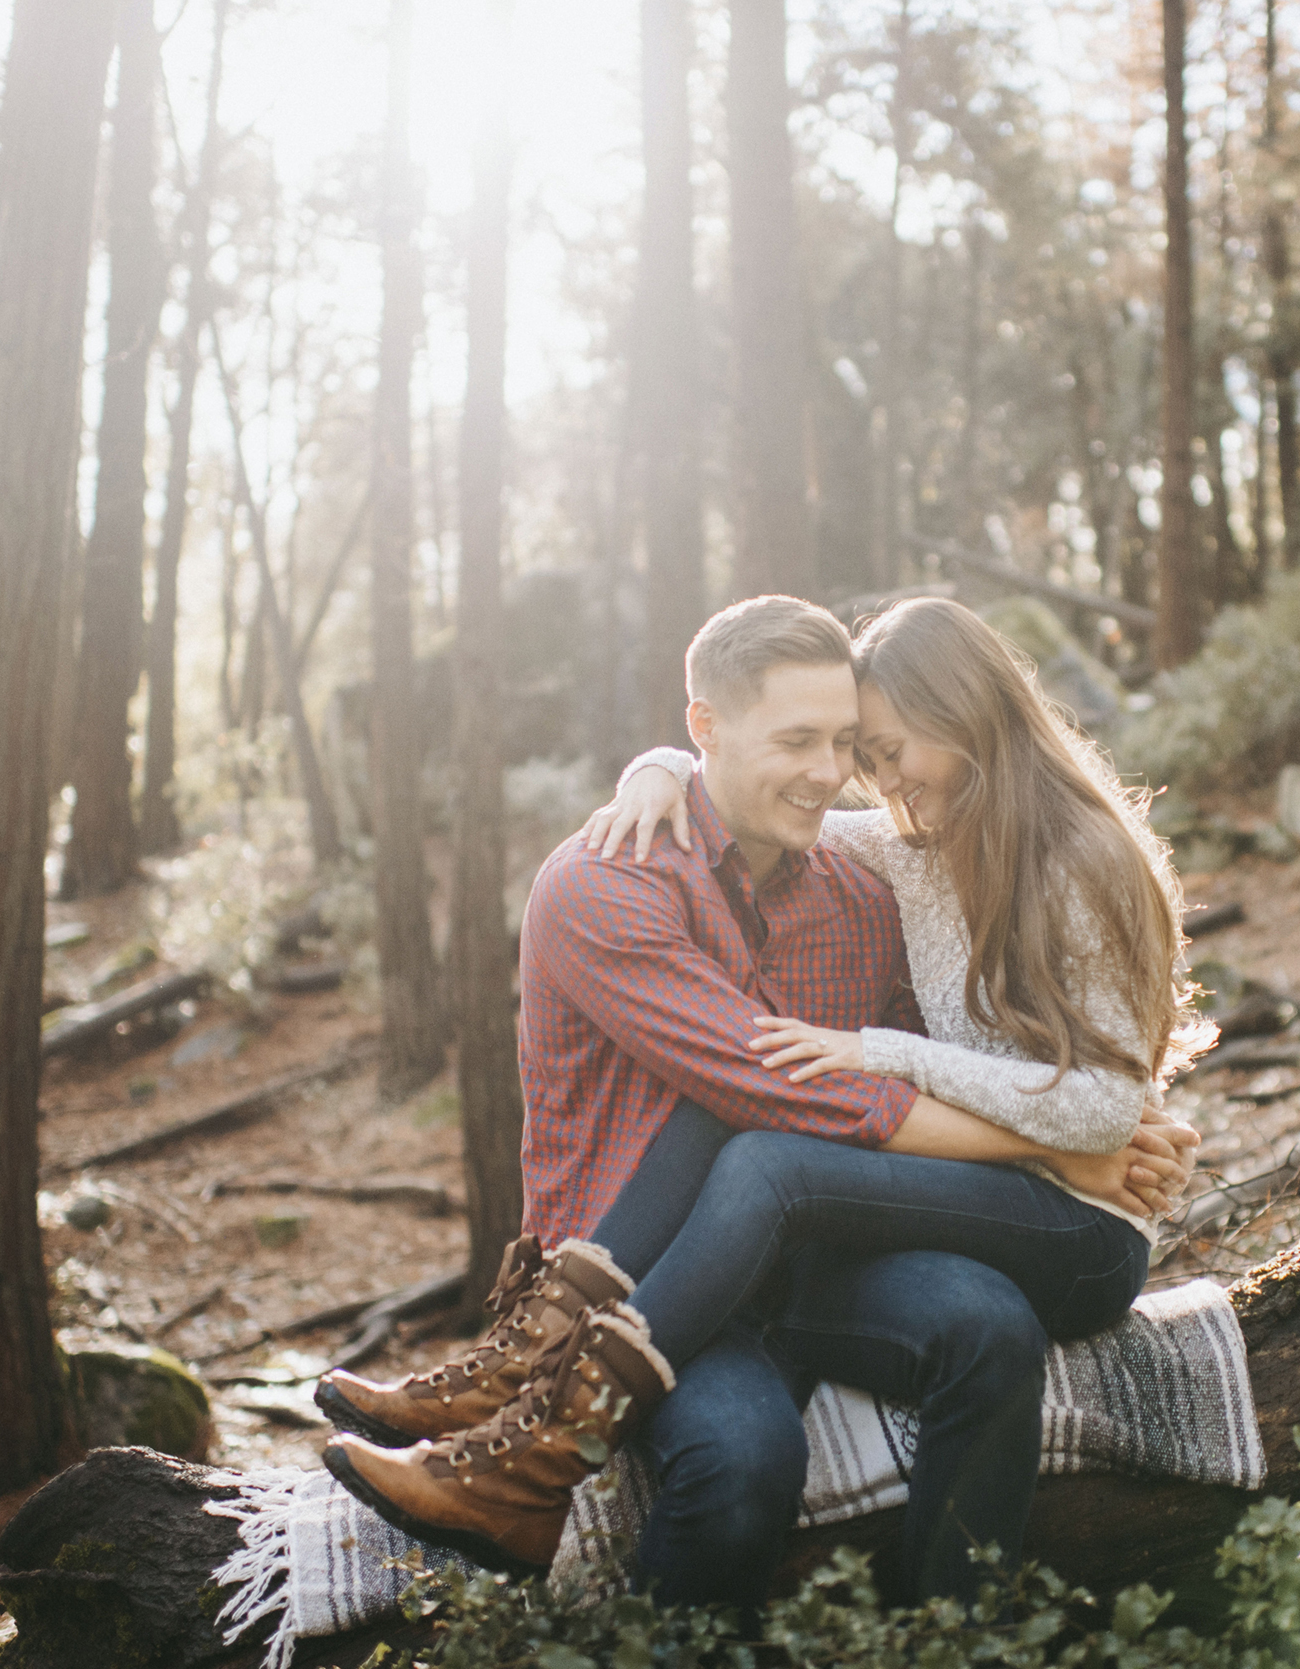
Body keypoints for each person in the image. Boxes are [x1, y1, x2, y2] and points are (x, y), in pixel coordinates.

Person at [319, 596, 1201, 1603]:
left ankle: (948, 1634)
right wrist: (656, 766)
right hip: (656, 1259)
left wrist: (1067, 1139)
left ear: (966, 719)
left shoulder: (892, 871)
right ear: (707, 729)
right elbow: (781, 1083)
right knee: (743, 1440)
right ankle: (537, 1416)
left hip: (830, 1235)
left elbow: (1009, 1071)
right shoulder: (624, 877)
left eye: (859, 747)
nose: (844, 777)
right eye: (821, 745)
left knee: (972, 1311)